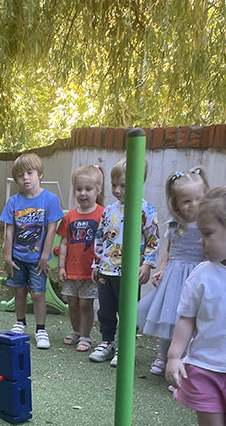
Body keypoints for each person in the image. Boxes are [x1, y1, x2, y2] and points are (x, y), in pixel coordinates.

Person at [166, 187, 226, 426]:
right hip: (205, 368)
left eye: (208, 234)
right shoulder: (204, 274)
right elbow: (187, 319)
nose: (202, 242)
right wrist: (175, 356)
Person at [137, 167, 209, 375]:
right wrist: (161, 269)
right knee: (167, 319)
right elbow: (169, 251)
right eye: (187, 201)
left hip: (195, 277)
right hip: (173, 277)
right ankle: (163, 355)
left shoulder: (206, 225)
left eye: (199, 199)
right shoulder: (174, 224)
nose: (193, 204)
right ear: (176, 203)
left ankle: (186, 361)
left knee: (190, 321)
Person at [89, 157, 159, 366]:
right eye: (114, 185)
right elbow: (100, 237)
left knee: (128, 311)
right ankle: (107, 341)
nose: (117, 190)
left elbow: (153, 239)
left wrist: (147, 264)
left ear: (139, 183)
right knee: (106, 310)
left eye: (123, 185)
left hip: (129, 273)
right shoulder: (109, 210)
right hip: (107, 270)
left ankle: (125, 347)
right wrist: (96, 263)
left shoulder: (146, 211)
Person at [0, 152, 64, 348]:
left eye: (30, 173)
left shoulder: (50, 200)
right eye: (20, 175)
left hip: (37, 260)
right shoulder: (13, 202)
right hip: (17, 258)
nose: (25, 178)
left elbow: (52, 229)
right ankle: (20, 323)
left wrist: (44, 257)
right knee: (19, 291)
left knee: (37, 294)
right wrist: (7, 257)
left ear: (40, 174)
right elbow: (9, 230)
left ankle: (41, 329)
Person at [57, 166, 104, 352]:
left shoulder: (103, 214)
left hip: (90, 271)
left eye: (88, 189)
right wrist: (61, 267)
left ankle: (85, 336)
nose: (83, 193)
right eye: (79, 189)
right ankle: (75, 331)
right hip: (71, 270)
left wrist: (100, 265)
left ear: (98, 190)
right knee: (72, 303)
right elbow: (64, 243)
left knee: (85, 303)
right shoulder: (69, 216)